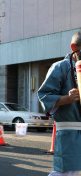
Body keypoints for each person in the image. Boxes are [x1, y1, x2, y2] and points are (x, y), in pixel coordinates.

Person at [38, 31, 81, 176]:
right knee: (66, 171)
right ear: (74, 47)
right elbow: (44, 95)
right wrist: (67, 98)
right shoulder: (60, 67)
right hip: (69, 129)